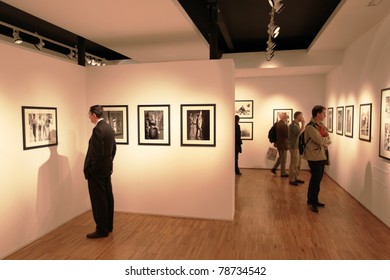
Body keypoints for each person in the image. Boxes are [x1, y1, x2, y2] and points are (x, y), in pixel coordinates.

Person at [84, 105, 117, 238]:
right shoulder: (108, 127)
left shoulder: (98, 130)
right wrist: (108, 163)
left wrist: (92, 169)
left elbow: (96, 154)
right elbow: (114, 149)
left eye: (89, 114)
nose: (89, 117)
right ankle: (108, 226)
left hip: (97, 172)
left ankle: (101, 230)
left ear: (93, 114)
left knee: (99, 201)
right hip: (106, 169)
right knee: (108, 197)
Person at [303, 105, 331, 213]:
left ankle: (313, 200)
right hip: (314, 157)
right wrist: (326, 139)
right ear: (318, 114)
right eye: (323, 113)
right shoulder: (310, 127)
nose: (325, 115)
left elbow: (327, 136)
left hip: (321, 155)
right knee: (315, 180)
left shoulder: (319, 125)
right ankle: (312, 202)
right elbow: (321, 140)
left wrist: (326, 137)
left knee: (317, 180)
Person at [288, 111, 305, 186]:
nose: (302, 117)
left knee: (298, 163)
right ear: (297, 116)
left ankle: (296, 178)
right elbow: (299, 133)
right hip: (294, 146)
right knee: (294, 163)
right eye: (301, 115)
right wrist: (303, 124)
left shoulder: (297, 124)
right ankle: (291, 179)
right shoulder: (293, 125)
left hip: (298, 146)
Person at [271, 112, 289, 177]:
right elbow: (287, 135)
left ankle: (274, 168)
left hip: (278, 143)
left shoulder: (277, 124)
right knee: (283, 159)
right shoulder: (283, 125)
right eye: (287, 116)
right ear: (284, 117)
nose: (287, 118)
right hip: (283, 144)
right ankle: (283, 173)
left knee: (281, 157)